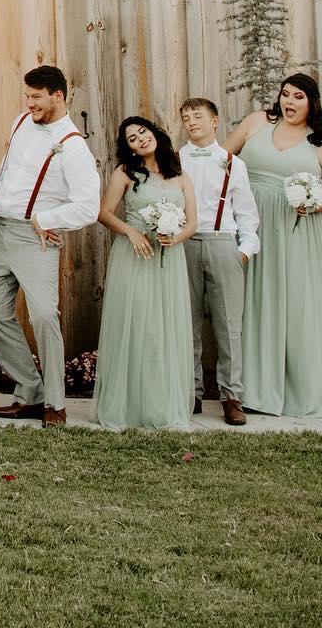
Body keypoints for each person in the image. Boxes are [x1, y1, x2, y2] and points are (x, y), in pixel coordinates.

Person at [0, 65, 100, 427]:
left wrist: (47, 219)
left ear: (58, 96)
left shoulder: (73, 146)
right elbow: (6, 170)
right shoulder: (20, 122)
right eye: (27, 96)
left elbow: (88, 207)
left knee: (45, 316)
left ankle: (55, 403)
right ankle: (30, 392)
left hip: (34, 239)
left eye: (36, 97)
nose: (29, 103)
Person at [224, 73, 322, 417]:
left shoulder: (318, 140)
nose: (289, 101)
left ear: (312, 103)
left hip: (298, 231)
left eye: (298, 96)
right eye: (285, 94)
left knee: (296, 304)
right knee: (250, 302)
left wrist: (315, 203)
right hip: (249, 224)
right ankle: (248, 391)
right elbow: (219, 160)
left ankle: (300, 391)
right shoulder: (257, 122)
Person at [95, 116, 196, 430]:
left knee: (165, 328)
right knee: (139, 324)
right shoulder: (125, 173)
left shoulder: (179, 174)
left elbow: (193, 223)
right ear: (130, 149)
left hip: (169, 258)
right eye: (132, 138)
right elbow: (103, 213)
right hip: (135, 257)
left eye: (143, 132)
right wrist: (131, 231)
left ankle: (162, 404)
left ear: (154, 133)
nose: (140, 138)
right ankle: (130, 405)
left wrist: (174, 238)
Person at [179, 96, 258, 425]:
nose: (191, 122)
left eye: (197, 116)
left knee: (228, 326)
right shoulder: (175, 160)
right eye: (186, 118)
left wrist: (243, 250)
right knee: (186, 321)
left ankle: (231, 396)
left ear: (214, 121)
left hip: (223, 241)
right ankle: (191, 392)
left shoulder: (233, 163)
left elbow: (247, 214)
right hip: (184, 244)